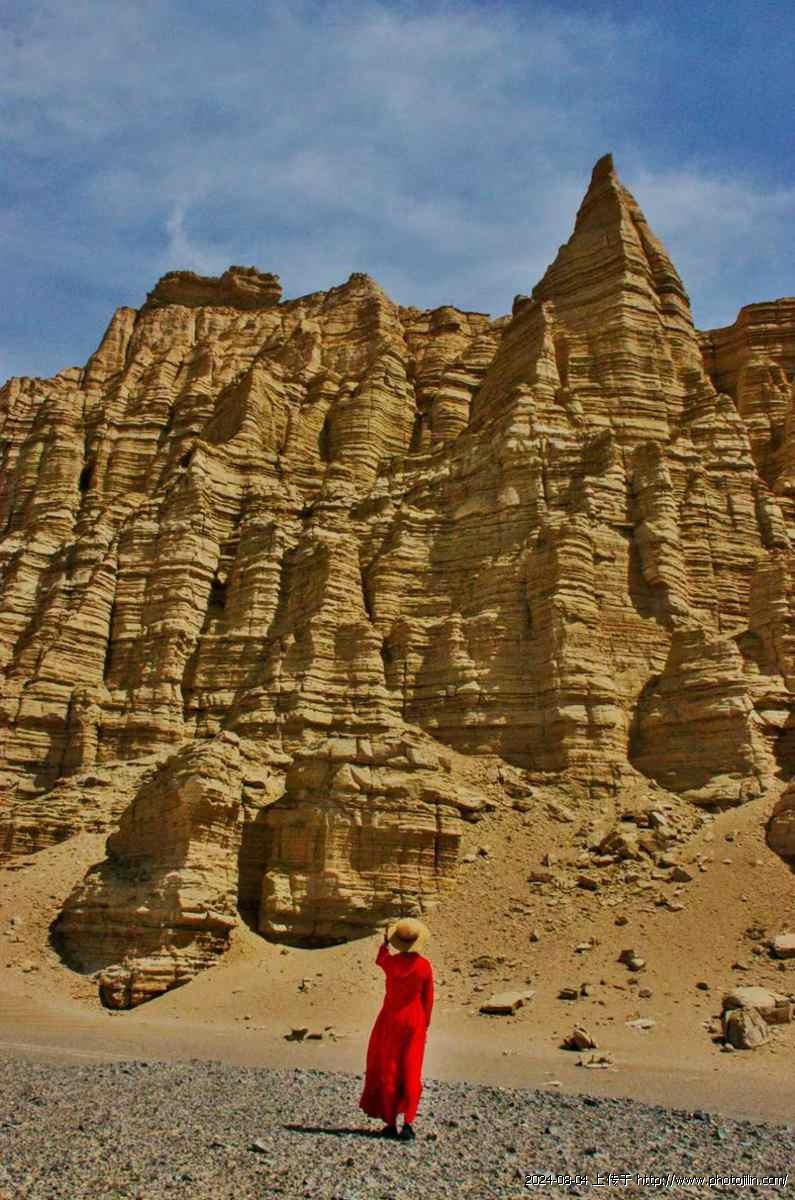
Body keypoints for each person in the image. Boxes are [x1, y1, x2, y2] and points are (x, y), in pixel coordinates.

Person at [358, 917, 434, 1141]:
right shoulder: (424, 966)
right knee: (412, 1069)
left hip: (391, 1019)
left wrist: (384, 943)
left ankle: (390, 1123)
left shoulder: (391, 964)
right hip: (415, 1019)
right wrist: (425, 1024)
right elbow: (428, 998)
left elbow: (380, 958)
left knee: (389, 1068)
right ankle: (408, 1122)